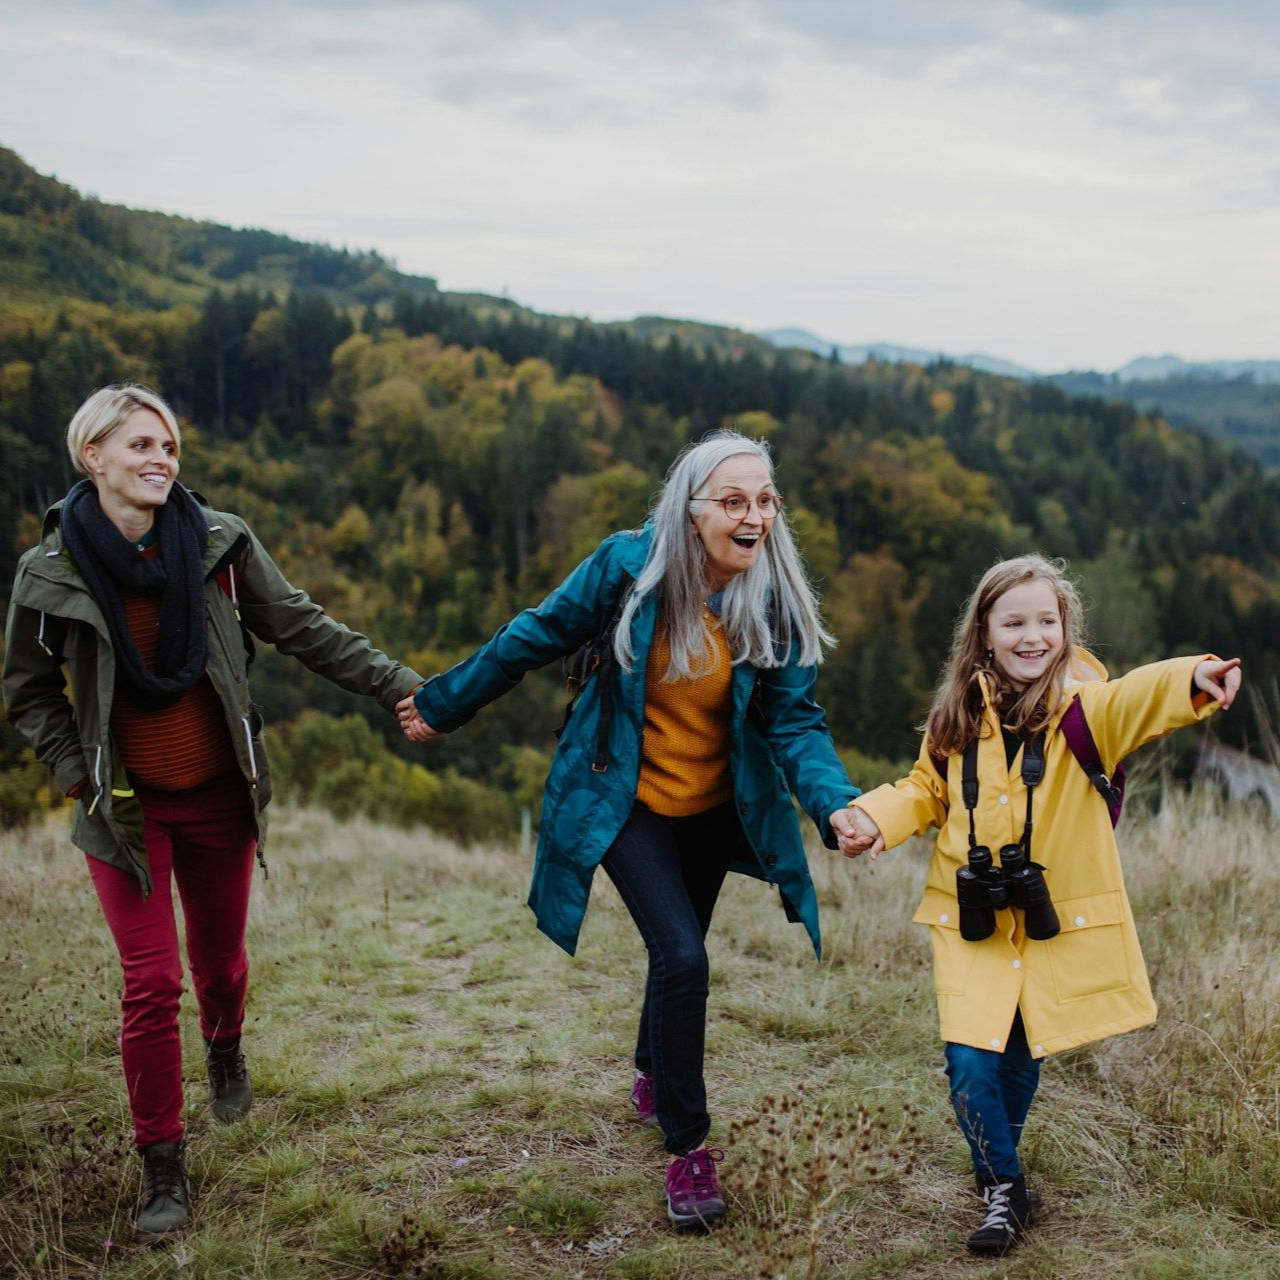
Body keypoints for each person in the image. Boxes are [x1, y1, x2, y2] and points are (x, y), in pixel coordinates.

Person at [397, 429, 864, 1226]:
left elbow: (796, 727)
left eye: (764, 502)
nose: (753, 517)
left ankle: (653, 1069)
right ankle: (689, 1150)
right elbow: (535, 634)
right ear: (691, 512)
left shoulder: (774, 603)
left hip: (717, 810)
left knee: (675, 952)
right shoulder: (628, 568)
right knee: (683, 955)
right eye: (734, 501)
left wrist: (835, 802)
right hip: (625, 798)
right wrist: (446, 703)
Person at [2, 385, 424, 1243]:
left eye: (171, 447)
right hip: (123, 813)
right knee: (150, 984)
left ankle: (226, 1046)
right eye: (142, 446)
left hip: (220, 801)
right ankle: (164, 1167)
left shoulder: (221, 547)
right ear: (94, 457)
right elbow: (28, 688)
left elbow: (303, 626)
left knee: (221, 966)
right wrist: (74, 775)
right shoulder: (50, 572)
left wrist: (401, 686)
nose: (162, 460)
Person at [842, 553, 1241, 1257]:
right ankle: (1004, 1182)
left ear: (1065, 628)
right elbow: (922, 791)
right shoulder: (958, 715)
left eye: (1047, 621)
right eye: (1015, 621)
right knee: (969, 1062)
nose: (1033, 636)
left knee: (1023, 1056)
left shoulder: (1088, 712)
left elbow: (1139, 696)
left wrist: (1194, 678)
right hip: (970, 920)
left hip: (1050, 920)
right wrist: (874, 818)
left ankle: (1001, 1188)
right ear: (984, 633)